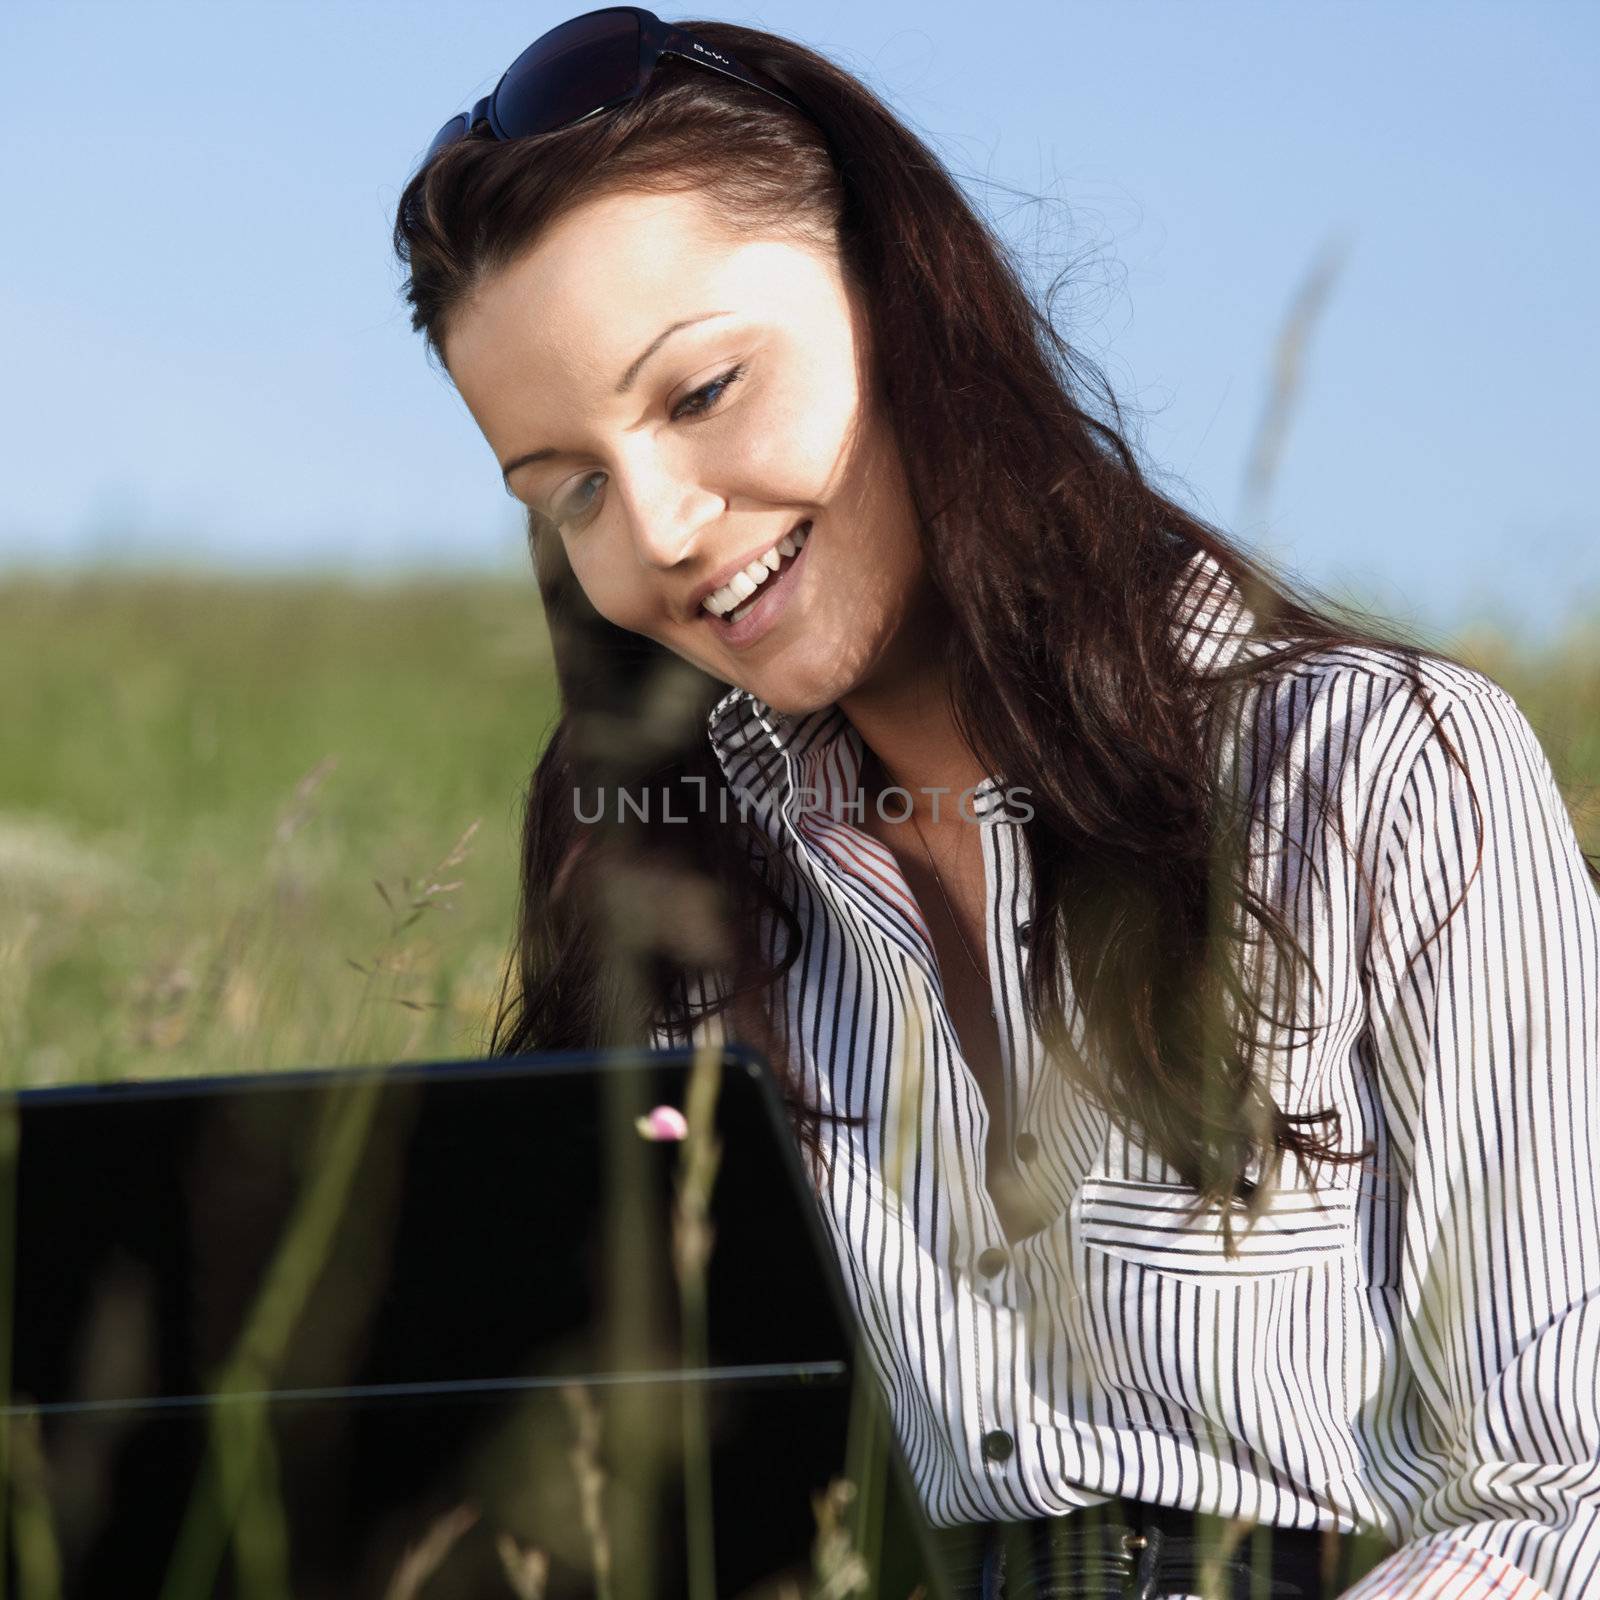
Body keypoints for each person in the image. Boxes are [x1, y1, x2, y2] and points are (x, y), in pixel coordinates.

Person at [393, 11, 1600, 1597]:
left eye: (698, 394)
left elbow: (1561, 1489)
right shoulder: (677, 910)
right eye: (573, 489)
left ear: (902, 297)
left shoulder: (1379, 778)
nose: (664, 535)